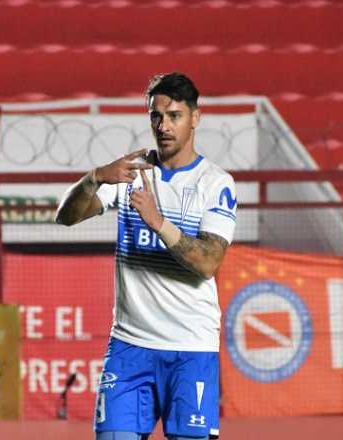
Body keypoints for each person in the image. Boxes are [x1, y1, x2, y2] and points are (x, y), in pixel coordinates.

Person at [56, 72, 237, 440]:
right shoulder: (131, 175)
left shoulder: (215, 183)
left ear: (195, 119)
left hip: (190, 349)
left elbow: (207, 263)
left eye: (175, 115)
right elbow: (66, 216)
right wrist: (95, 177)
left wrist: (158, 222)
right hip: (129, 346)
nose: (164, 125)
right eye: (156, 115)